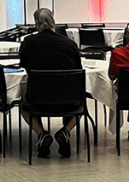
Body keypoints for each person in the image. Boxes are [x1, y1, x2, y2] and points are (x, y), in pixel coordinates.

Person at [19, 8, 82, 159]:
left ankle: (41, 134)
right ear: (53, 21)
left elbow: (24, 67)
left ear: (36, 24)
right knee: (80, 104)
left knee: (23, 106)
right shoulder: (70, 44)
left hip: (38, 101)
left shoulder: (28, 42)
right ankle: (65, 131)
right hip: (68, 101)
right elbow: (77, 72)